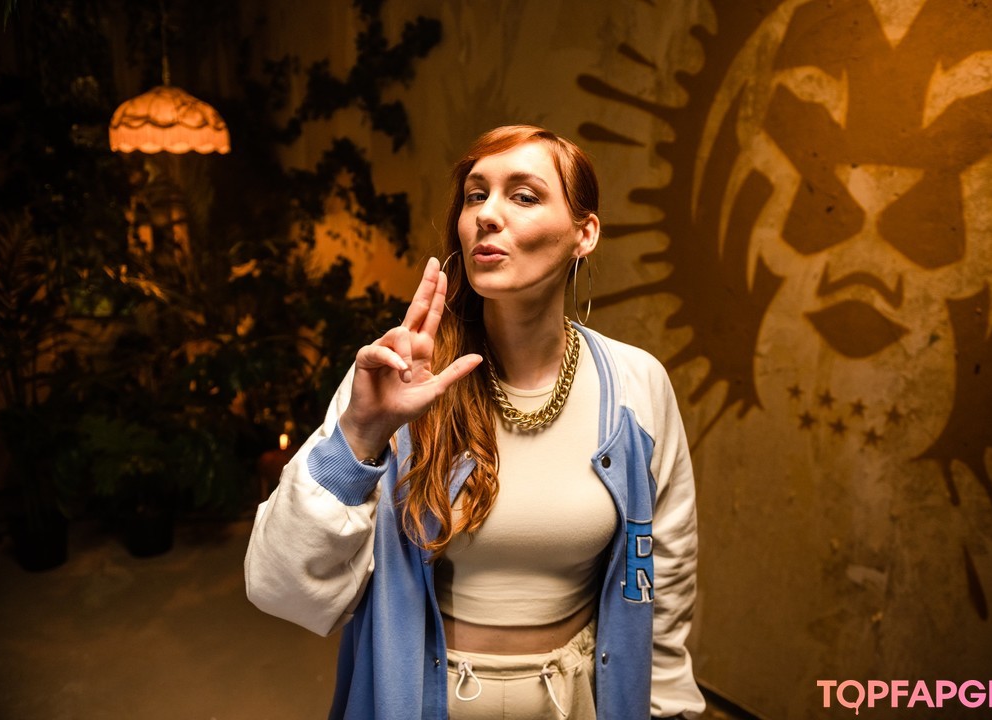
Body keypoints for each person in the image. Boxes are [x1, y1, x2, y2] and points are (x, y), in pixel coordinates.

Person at [244, 125, 705, 720]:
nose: (487, 214)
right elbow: (278, 587)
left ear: (584, 233)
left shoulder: (636, 385)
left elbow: (665, 577)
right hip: (423, 701)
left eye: (524, 195)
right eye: (475, 195)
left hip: (577, 701)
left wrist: (667, 708)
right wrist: (359, 438)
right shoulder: (399, 380)